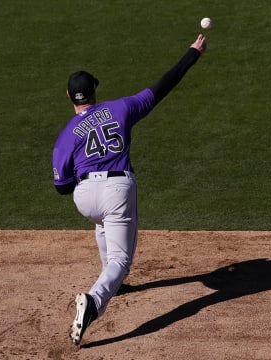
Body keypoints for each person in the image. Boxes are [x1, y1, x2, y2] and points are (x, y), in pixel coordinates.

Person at [51, 34, 207, 345]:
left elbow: (62, 187)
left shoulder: (66, 135)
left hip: (85, 197)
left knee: (102, 218)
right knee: (121, 261)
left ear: (69, 96)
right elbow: (163, 86)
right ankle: (94, 301)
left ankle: (114, 284)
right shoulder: (121, 108)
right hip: (117, 189)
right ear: (94, 92)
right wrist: (192, 53)